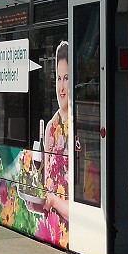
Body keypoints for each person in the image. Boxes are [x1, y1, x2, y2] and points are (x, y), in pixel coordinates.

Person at [44, 40, 70, 224]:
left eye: (66, 78)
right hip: (53, 222)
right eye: (58, 78)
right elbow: (45, 186)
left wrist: (54, 201)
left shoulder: (81, 125)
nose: (61, 87)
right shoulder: (51, 127)